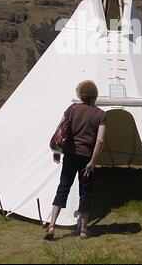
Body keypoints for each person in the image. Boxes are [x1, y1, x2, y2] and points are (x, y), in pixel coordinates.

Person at [44, 80, 106, 240]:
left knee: (63, 187)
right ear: (94, 95)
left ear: (80, 94)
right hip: (86, 158)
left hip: (70, 155)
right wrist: (93, 161)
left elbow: (60, 130)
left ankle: (51, 226)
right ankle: (84, 230)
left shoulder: (72, 109)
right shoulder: (100, 114)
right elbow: (99, 140)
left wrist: (57, 150)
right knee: (85, 193)